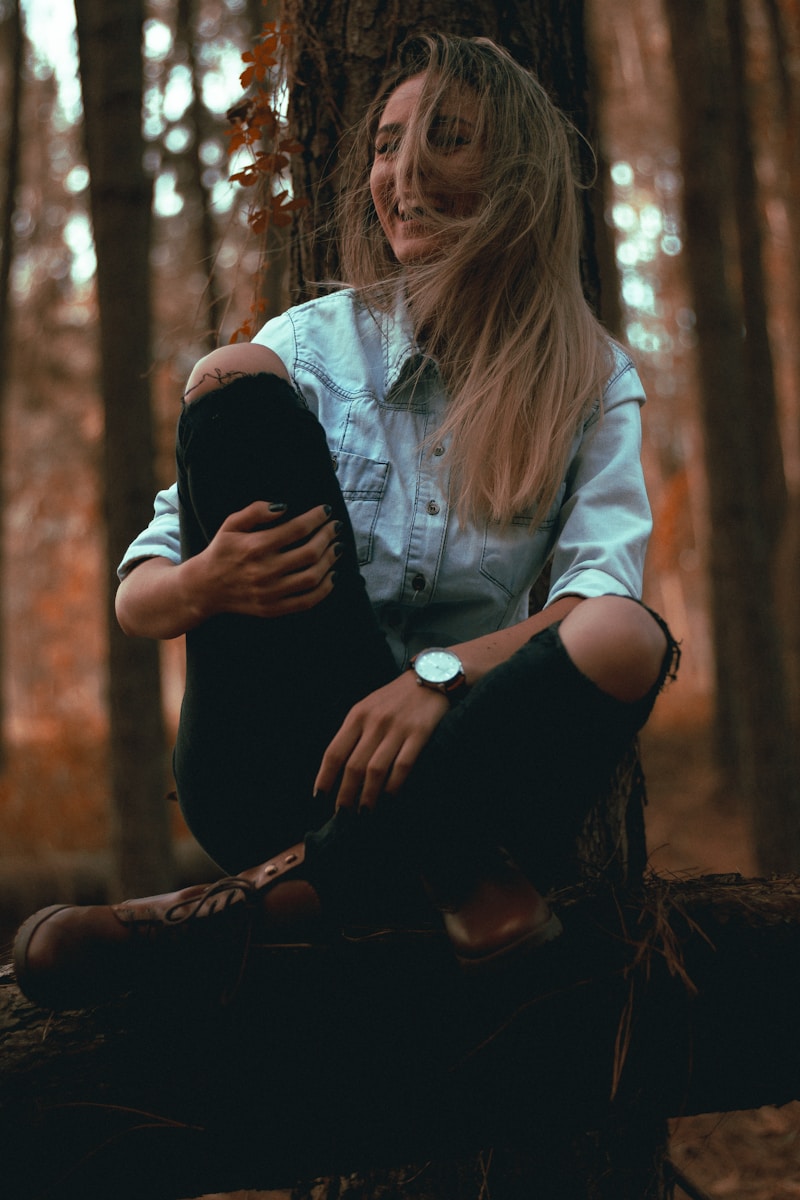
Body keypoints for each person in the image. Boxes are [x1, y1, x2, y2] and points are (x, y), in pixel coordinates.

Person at [13, 33, 679, 1011]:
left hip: (457, 767)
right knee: (227, 382)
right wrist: (206, 582)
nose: (400, 178)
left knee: (628, 638)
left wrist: (434, 681)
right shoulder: (307, 348)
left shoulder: (586, 376)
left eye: (444, 140)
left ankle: (277, 900)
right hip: (274, 763)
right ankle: (445, 874)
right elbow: (138, 600)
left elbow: (594, 602)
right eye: (384, 146)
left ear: (513, 173)